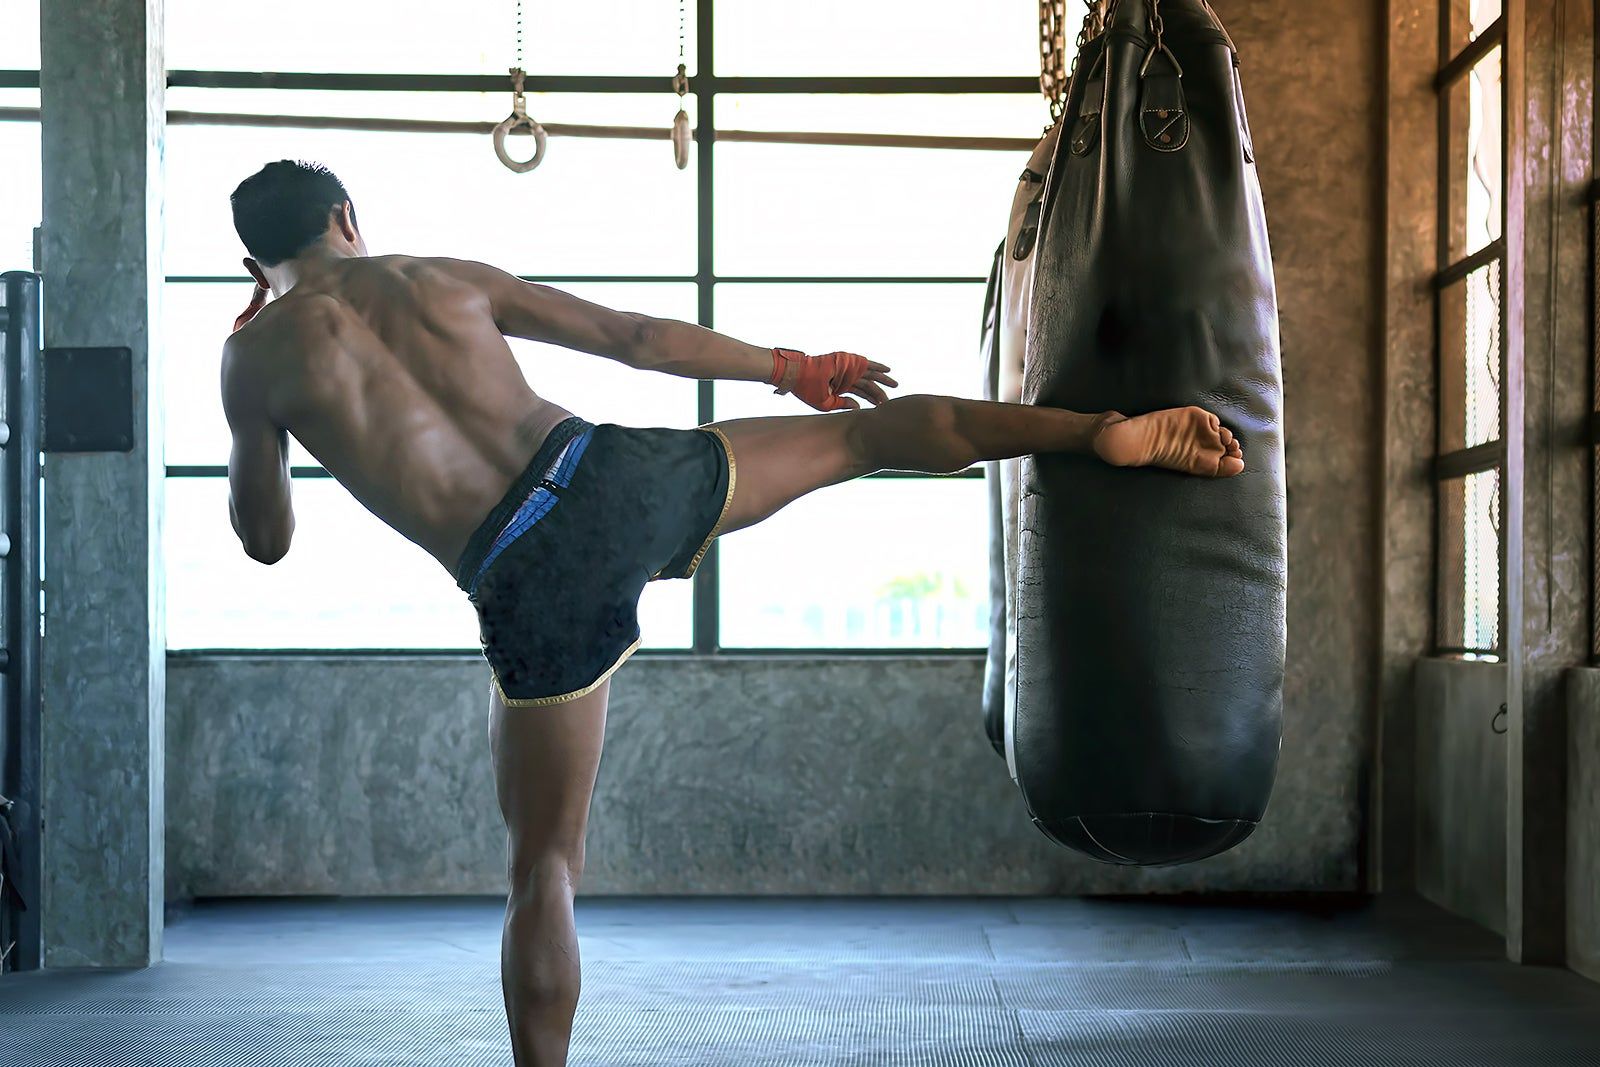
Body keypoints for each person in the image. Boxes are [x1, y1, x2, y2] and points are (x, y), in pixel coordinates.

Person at [222, 160, 1245, 1067]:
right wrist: (789, 369)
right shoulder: (433, 276)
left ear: (254, 262)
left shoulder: (254, 358)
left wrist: (260, 409)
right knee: (864, 440)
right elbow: (633, 339)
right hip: (608, 473)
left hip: (522, 570)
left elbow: (265, 540)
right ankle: (1098, 430)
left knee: (542, 865)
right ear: (345, 218)